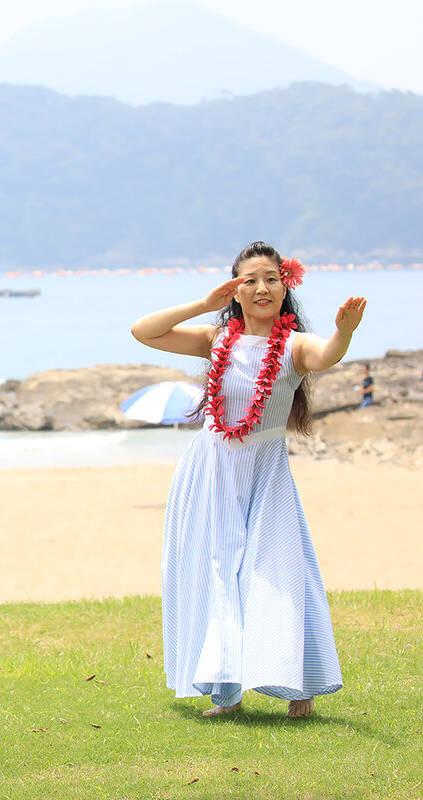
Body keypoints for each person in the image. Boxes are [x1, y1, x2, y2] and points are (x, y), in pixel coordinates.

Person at [131, 241, 366, 718]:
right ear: (235, 290)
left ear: (286, 287)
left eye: (272, 279)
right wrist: (203, 304)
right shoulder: (217, 341)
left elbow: (325, 356)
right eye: (250, 280)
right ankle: (227, 689)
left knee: (275, 573)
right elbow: (143, 332)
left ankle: (299, 681)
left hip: (264, 473)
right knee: (213, 572)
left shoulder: (294, 346)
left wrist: (343, 334)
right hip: (210, 468)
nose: (262, 288)